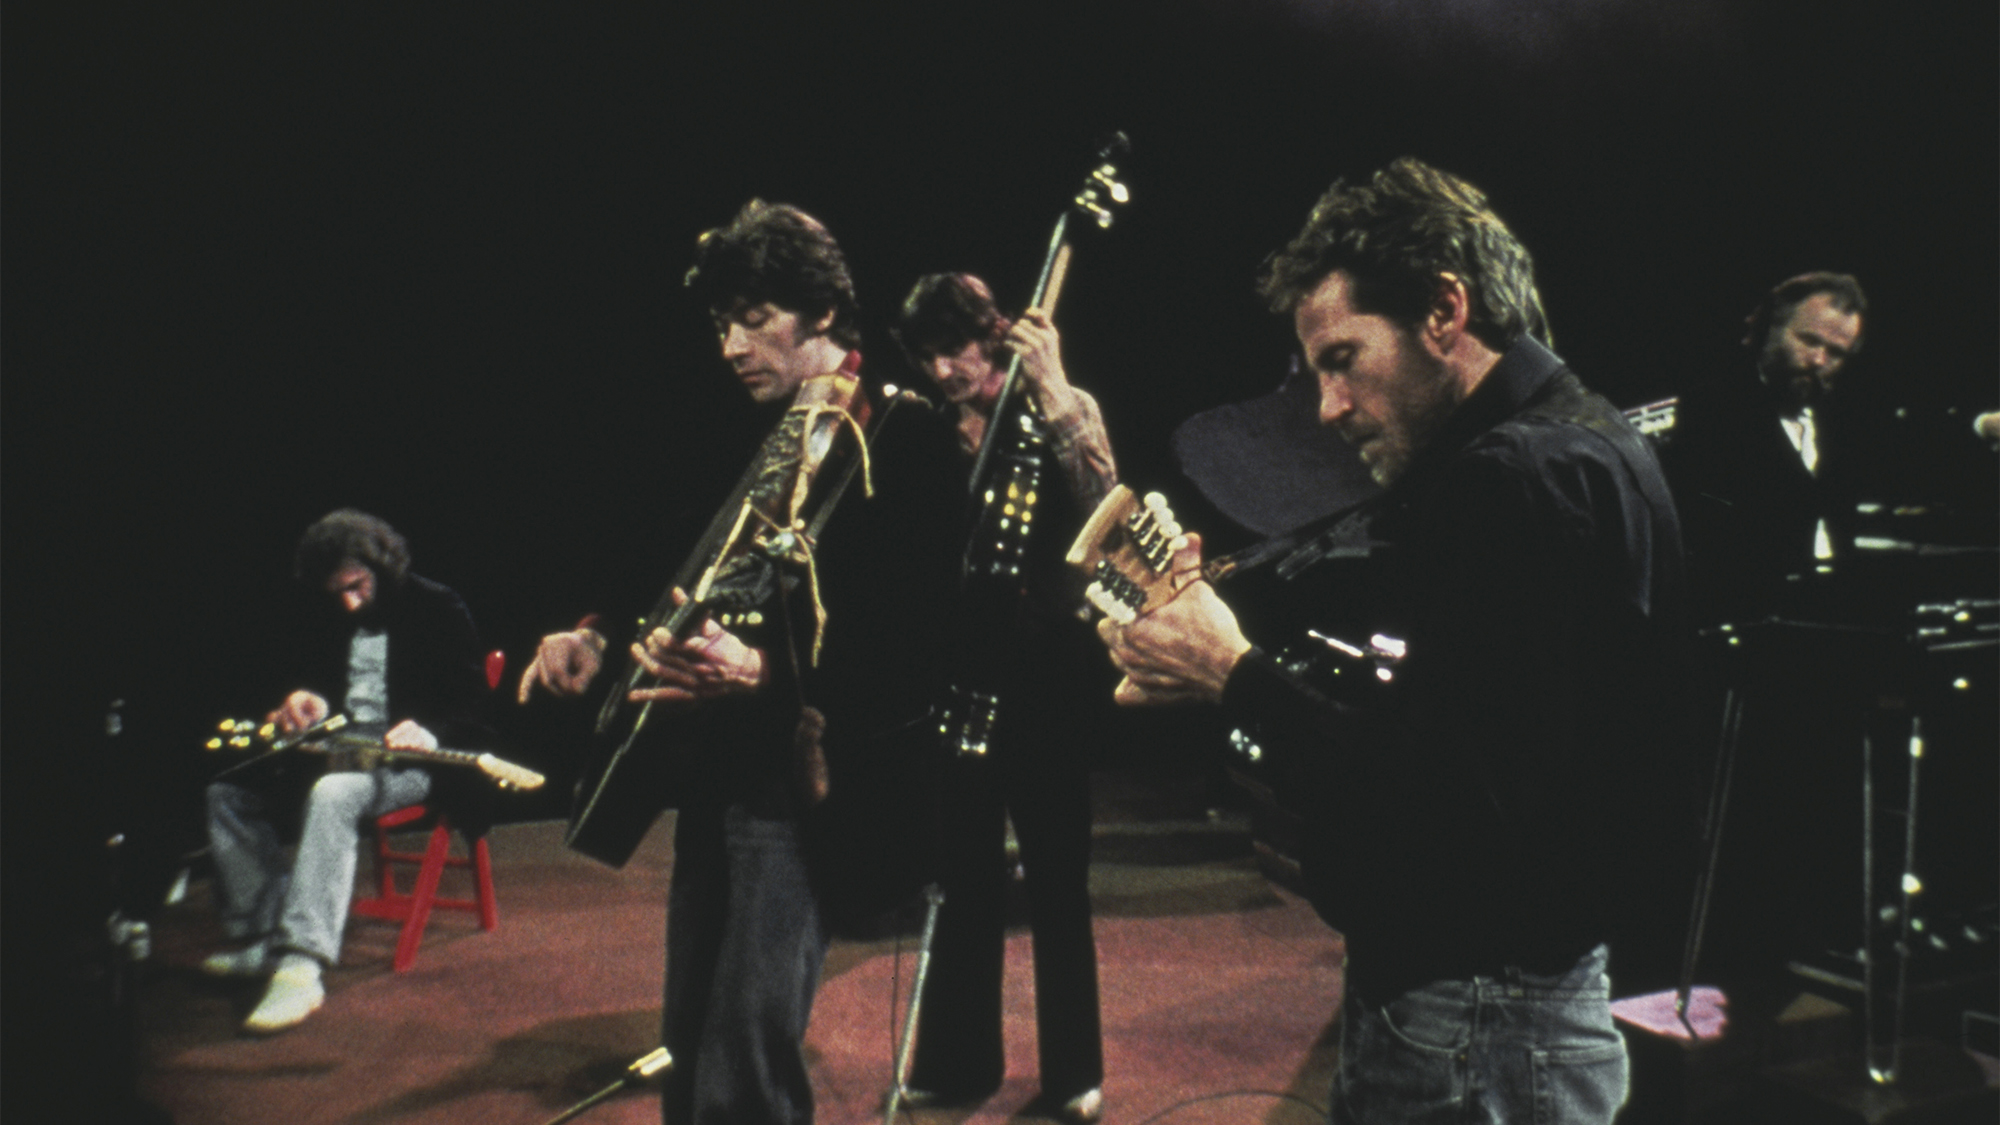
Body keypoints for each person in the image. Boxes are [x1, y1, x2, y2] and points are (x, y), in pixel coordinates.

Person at [1094, 157, 1691, 1124]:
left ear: (1444, 312)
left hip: (1475, 1024)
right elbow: (1498, 736)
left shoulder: (1510, 479)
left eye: (1342, 358)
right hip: (1527, 1007)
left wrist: (1232, 674)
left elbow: (1444, 796)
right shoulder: (1585, 443)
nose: (1328, 406)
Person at [517, 200, 961, 1125]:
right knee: (691, 1028)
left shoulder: (907, 435)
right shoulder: (756, 424)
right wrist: (594, 632)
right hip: (720, 770)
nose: (731, 345)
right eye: (722, 323)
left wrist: (762, 675)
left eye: (754, 319)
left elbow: (918, 645)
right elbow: (672, 556)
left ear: (824, 313)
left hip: (807, 784)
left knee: (748, 1041)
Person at [887, 274, 1113, 1122]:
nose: (946, 369)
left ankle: (1074, 1072)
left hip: (1049, 677)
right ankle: (956, 1062)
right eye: (930, 356)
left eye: (960, 349)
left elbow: (1105, 505)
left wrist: (1054, 392)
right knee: (962, 874)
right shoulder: (926, 431)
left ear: (995, 336)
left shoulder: (1058, 405)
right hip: (960, 671)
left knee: (1060, 878)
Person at [202, 509, 487, 1033]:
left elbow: (474, 706)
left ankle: (301, 963)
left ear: (382, 567)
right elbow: (312, 681)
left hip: (417, 761)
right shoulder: (330, 610)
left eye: (357, 586)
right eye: (337, 592)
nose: (349, 602)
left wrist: (429, 730)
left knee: (335, 793)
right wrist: (302, 698)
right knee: (227, 792)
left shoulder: (437, 607)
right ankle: (262, 934)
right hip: (340, 750)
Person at [1663, 272, 1868, 623]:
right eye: (1808, 341)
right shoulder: (1710, 411)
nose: (1819, 361)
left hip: (1829, 617)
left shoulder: (1840, 424)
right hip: (1742, 622)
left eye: (1836, 353)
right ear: (1771, 329)